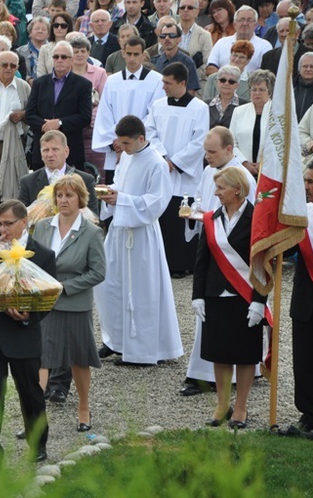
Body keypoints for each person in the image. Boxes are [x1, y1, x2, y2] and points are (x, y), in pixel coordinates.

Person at [0, 199, 56, 467]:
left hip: (23, 334)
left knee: (30, 393)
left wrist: (31, 315)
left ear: (24, 222)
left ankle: (38, 444)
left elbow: (50, 295)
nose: (3, 229)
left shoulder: (43, 253)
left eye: (8, 224)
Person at [94, 115, 183, 365]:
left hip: (141, 235)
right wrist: (109, 192)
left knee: (141, 291)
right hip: (119, 231)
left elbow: (156, 203)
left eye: (126, 143)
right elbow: (122, 185)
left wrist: (120, 198)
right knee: (110, 287)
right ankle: (115, 341)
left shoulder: (156, 164)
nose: (121, 148)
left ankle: (143, 351)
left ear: (141, 138)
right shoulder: (127, 157)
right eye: (119, 143)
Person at [180, 126, 257, 396]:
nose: (207, 157)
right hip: (213, 251)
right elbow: (206, 207)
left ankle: (237, 382)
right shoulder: (207, 171)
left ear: (228, 149)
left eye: (212, 152)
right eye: (205, 152)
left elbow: (252, 224)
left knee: (238, 330)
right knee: (212, 328)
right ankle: (203, 375)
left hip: (236, 264)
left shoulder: (244, 177)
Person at [193, 167, 265, 429]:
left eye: (221, 187)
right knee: (220, 353)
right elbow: (201, 262)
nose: (216, 192)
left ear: (237, 189)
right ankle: (223, 405)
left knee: (245, 354)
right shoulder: (211, 219)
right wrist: (197, 296)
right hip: (215, 295)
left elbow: (262, 264)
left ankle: (241, 408)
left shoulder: (256, 218)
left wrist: (260, 299)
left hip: (244, 296)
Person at [32, 174, 105, 431]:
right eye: (60, 195)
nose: (63, 200)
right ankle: (35, 417)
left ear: (80, 199)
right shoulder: (41, 227)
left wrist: (64, 287)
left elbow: (98, 272)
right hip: (45, 304)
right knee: (41, 358)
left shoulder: (91, 232)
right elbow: (33, 263)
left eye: (69, 195)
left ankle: (84, 409)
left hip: (74, 304)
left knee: (79, 359)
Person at [145, 62, 209, 277]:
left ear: (182, 83)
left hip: (185, 176)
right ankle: (160, 262)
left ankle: (181, 263)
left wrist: (176, 162)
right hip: (162, 168)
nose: (164, 86)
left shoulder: (199, 108)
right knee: (162, 217)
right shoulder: (158, 105)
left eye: (168, 83)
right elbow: (150, 132)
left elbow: (200, 141)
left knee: (180, 218)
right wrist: (162, 157)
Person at [92, 35, 164, 185]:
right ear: (123, 53)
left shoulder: (156, 80)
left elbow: (153, 115)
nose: (132, 59)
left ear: (143, 55)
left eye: (136, 54)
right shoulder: (112, 81)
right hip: (115, 149)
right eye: (129, 54)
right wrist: (117, 144)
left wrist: (129, 142)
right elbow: (105, 114)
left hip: (141, 147)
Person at [26, 40, 92, 172]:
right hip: (42, 151)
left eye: (64, 57)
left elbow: (85, 117)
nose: (59, 60)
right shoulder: (40, 83)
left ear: (71, 59)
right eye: (56, 57)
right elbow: (29, 114)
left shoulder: (83, 85)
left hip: (71, 150)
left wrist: (60, 123)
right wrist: (46, 126)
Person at [0, 50, 30, 207]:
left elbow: (31, 112)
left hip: (13, 144)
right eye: (4, 65)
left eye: (13, 65)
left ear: (17, 67)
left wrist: (23, 114)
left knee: (11, 185)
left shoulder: (23, 87)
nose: (8, 68)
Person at [290, 161, 313, 433]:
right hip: (306, 298)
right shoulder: (301, 215)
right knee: (304, 360)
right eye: (305, 181)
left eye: (312, 182)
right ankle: (308, 416)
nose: (306, 187)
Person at [19, 130, 98, 212]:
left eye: (55, 149)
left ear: (66, 152)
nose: (50, 154)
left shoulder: (86, 180)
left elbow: (94, 217)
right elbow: (20, 217)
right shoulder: (27, 182)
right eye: (46, 150)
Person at [228, 68, 275, 177]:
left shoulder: (278, 114)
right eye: (254, 89)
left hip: (270, 172)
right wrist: (245, 163)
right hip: (241, 170)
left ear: (270, 91)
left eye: (262, 89)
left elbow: (281, 144)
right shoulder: (239, 111)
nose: (257, 93)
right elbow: (231, 142)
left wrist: (262, 164)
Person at [69, 35, 106, 171]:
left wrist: (90, 117)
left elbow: (104, 102)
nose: (79, 55)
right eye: (76, 51)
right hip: (71, 127)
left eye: (83, 51)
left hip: (93, 128)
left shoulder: (100, 73)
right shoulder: (64, 73)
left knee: (96, 169)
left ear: (88, 53)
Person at [207, 6, 273, 76]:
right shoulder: (221, 43)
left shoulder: (265, 46)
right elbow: (210, 68)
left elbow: (265, 75)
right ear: (234, 24)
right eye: (241, 20)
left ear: (255, 25)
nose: (245, 23)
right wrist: (227, 81)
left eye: (249, 20)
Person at [151, 22, 201, 94]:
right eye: (163, 35)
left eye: (172, 35)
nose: (167, 38)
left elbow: (191, 91)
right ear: (160, 40)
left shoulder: (188, 62)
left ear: (179, 39)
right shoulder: (154, 61)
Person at [205, 65, 248, 129]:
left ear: (237, 85)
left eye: (231, 82)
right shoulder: (205, 105)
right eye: (223, 80)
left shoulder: (245, 106)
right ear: (217, 82)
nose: (226, 83)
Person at [18, 16, 49, 82]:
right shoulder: (19, 52)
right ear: (30, 32)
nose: (40, 31)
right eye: (37, 29)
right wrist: (28, 79)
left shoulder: (54, 51)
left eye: (43, 29)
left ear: (48, 34)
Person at [295, 52, 313, 121]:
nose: (308, 69)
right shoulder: (289, 89)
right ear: (299, 69)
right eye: (305, 66)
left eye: (312, 66)